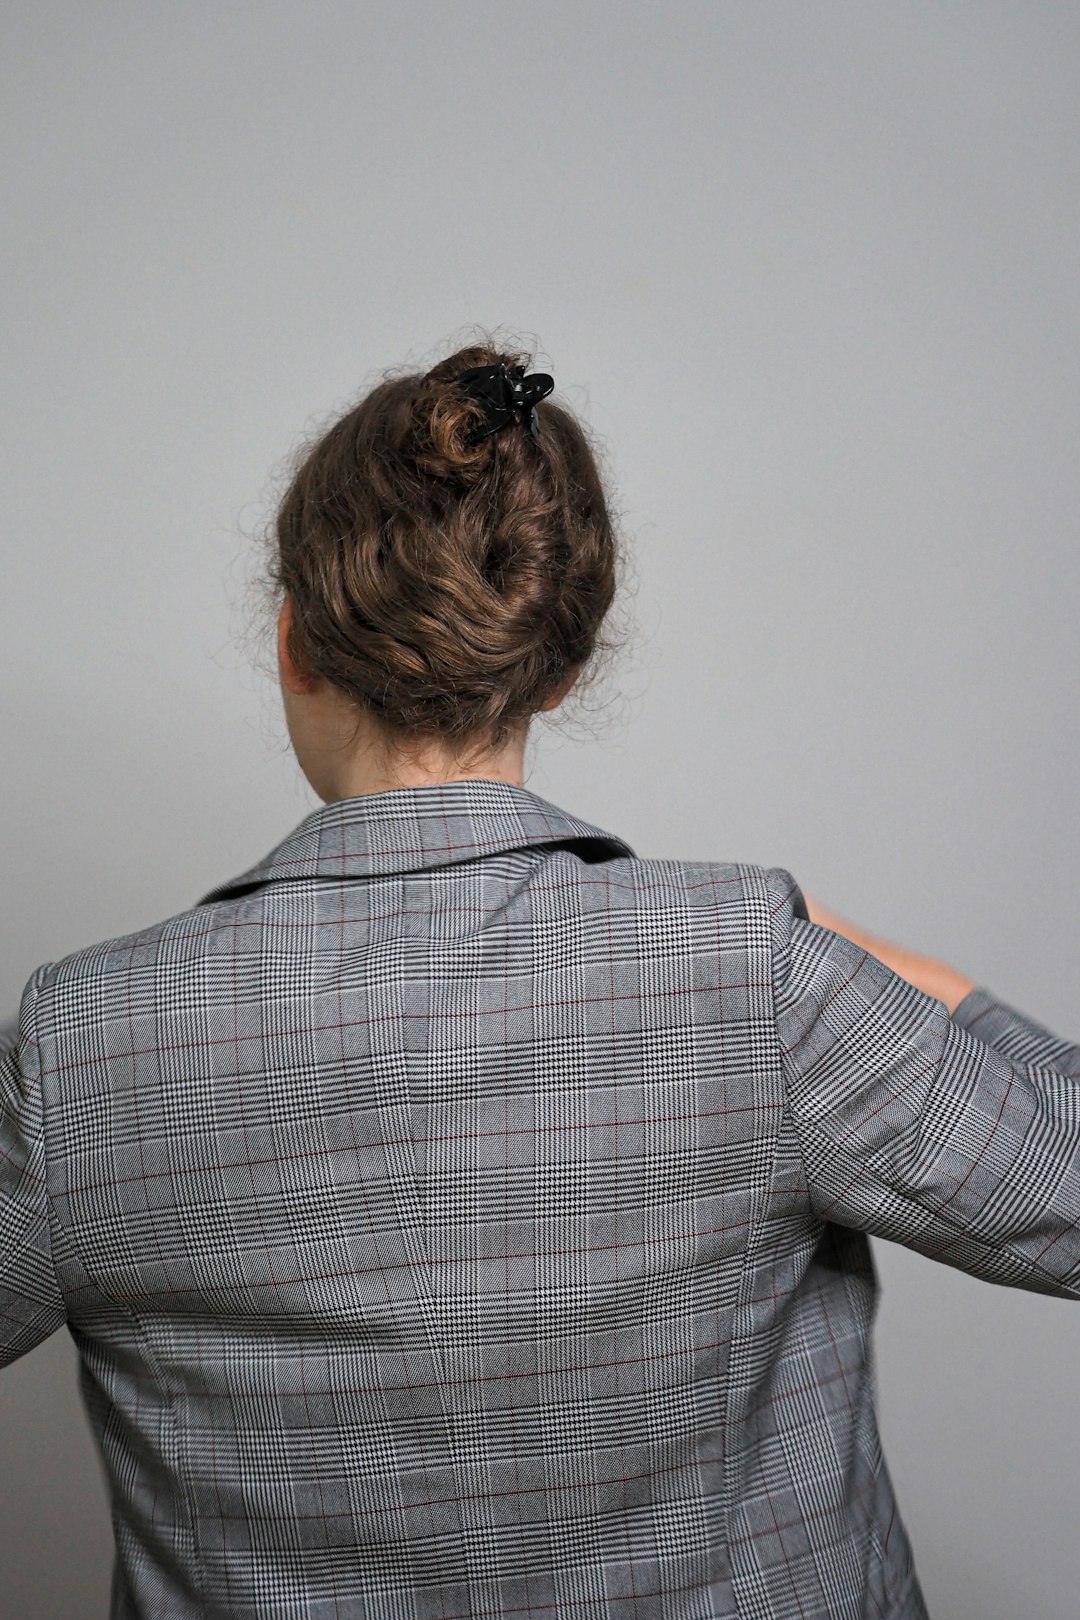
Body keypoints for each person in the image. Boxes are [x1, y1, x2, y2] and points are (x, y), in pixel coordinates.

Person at [2, 336, 1077, 1620]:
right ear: (561, 661)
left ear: (292, 643)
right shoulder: (747, 972)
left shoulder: (84, 1042)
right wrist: (934, 982)